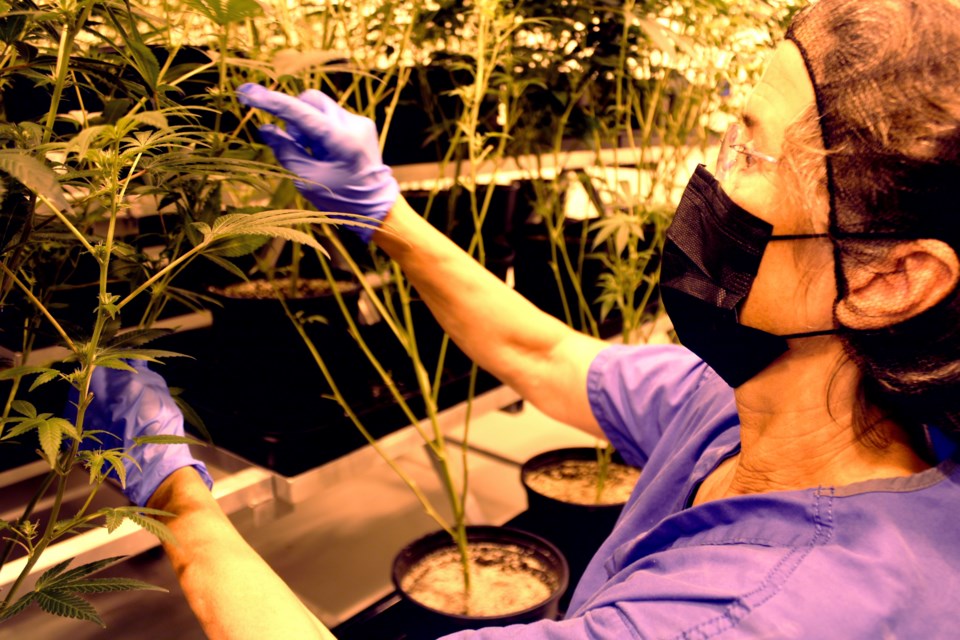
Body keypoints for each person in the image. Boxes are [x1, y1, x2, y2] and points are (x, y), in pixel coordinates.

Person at [86, 0, 960, 636]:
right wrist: (382, 211)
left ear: (894, 277)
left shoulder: (769, 614)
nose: (714, 173)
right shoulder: (749, 397)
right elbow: (544, 353)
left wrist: (179, 505)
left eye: (750, 146)